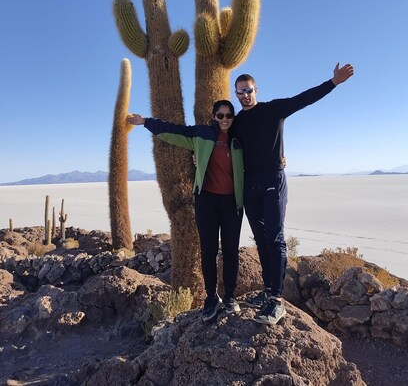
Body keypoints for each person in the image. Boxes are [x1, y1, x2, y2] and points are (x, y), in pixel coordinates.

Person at [231, 62, 354, 325]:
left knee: (275, 238)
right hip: (249, 184)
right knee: (261, 240)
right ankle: (267, 291)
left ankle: (277, 301)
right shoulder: (237, 123)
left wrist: (332, 83)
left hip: (273, 180)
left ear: (256, 90)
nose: (244, 96)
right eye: (239, 92)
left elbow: (304, 99)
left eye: (248, 90)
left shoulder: (273, 109)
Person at [127, 100, 244, 322]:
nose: (225, 119)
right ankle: (212, 297)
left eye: (229, 115)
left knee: (231, 250)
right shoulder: (201, 134)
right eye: (220, 116)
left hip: (232, 203)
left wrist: (279, 161)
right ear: (214, 116)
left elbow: (259, 153)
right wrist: (145, 122)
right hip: (206, 201)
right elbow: (175, 131)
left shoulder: (239, 139)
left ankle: (230, 297)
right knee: (208, 251)